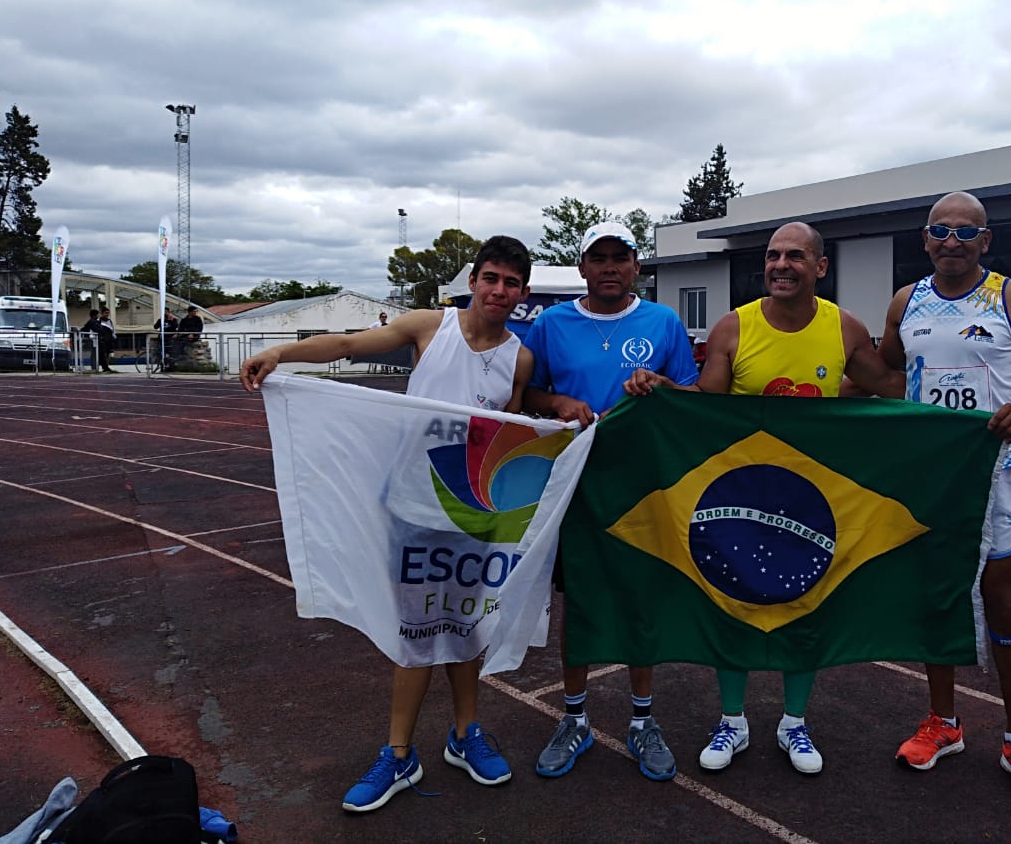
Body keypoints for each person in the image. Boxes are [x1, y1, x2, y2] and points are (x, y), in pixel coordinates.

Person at [240, 236, 536, 812]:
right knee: (416, 631)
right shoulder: (430, 326)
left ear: (522, 293)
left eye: (511, 283)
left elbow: (511, 430)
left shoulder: (519, 358)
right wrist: (282, 353)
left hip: (475, 513)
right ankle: (399, 754)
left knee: (468, 625)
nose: (499, 291)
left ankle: (465, 735)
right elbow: (349, 343)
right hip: (414, 508)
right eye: (491, 278)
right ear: (473, 281)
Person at [625, 221, 904, 776]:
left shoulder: (845, 328)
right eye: (774, 255)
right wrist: (664, 388)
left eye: (795, 256)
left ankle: (794, 722)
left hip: (812, 498)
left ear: (820, 267)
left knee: (807, 606)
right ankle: (732, 720)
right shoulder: (735, 326)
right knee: (734, 602)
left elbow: (892, 387)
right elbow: (705, 403)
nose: (780, 265)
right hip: (742, 495)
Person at [879, 191, 1011, 801]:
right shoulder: (905, 302)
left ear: (985, 241)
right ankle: (943, 722)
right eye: (941, 230)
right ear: (925, 239)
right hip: (935, 478)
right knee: (939, 599)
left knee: (1003, 603)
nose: (952, 241)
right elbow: (882, 373)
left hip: (1001, 475)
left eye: (966, 232)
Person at [522, 220, 699, 782]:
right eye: (598, 258)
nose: (609, 268)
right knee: (579, 601)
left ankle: (643, 720)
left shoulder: (663, 321)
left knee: (639, 598)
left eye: (620, 258)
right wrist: (559, 402)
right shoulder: (551, 323)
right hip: (572, 483)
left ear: (636, 266)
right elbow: (527, 391)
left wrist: (662, 386)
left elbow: (694, 393)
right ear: (581, 267)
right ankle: (574, 717)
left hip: (642, 484)